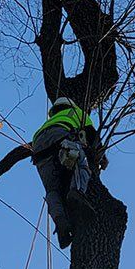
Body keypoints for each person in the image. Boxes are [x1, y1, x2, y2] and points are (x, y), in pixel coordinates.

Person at [30, 97, 106, 249]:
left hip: (38, 149)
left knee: (52, 189)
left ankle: (61, 224)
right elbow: (93, 137)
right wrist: (102, 158)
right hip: (60, 135)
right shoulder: (77, 112)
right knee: (81, 163)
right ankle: (76, 192)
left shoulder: (47, 123)